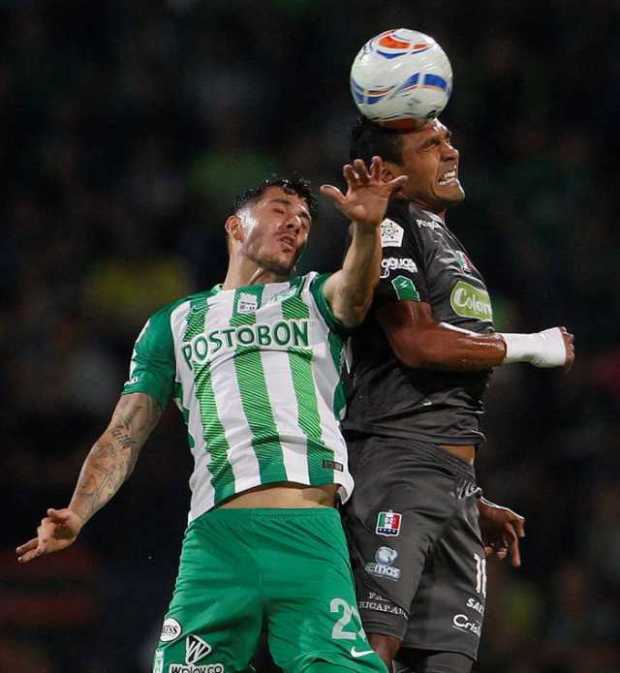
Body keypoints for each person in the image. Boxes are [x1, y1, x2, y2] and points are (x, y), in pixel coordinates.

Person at [17, 159, 408, 673]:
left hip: (308, 529)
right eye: (279, 209)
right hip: (215, 540)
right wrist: (78, 511)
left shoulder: (312, 296)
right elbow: (125, 432)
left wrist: (366, 226)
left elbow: (355, 293)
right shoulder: (174, 323)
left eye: (305, 221)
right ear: (235, 224)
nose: (294, 223)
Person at [340, 118, 575, 673]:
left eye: (447, 140)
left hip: (451, 481)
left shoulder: (445, 239)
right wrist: (530, 346)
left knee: (445, 664)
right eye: (432, 145)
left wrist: (464, 493)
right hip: (395, 465)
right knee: (370, 656)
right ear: (390, 173)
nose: (452, 151)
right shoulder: (390, 228)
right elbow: (415, 342)